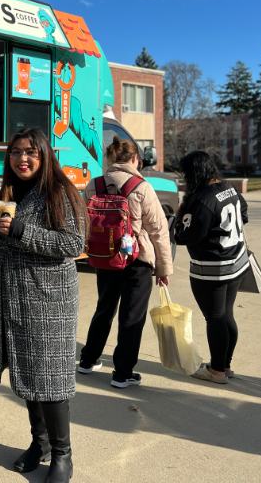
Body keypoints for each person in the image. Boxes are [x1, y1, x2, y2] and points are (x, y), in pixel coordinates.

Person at [0, 129, 86, 483]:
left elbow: (74, 243)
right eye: (15, 153)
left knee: (52, 381)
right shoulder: (9, 192)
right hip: (16, 298)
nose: (22, 159)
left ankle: (63, 455)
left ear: (44, 155)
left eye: (30, 152)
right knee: (28, 374)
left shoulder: (60, 192)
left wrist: (18, 232)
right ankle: (40, 442)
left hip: (50, 300)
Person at [78, 136, 173, 388]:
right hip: (136, 260)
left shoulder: (94, 184)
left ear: (110, 158)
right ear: (134, 159)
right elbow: (158, 231)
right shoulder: (141, 187)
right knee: (131, 317)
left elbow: (83, 221)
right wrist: (163, 268)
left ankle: (88, 360)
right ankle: (122, 373)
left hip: (104, 257)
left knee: (104, 308)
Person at [174, 151, 249, 384]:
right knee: (226, 314)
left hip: (213, 267)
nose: (184, 179)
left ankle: (216, 370)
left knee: (214, 317)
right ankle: (225, 364)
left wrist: (177, 223)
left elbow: (187, 235)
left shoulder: (203, 199)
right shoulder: (230, 189)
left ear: (195, 172)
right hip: (236, 261)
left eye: (186, 174)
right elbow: (244, 215)